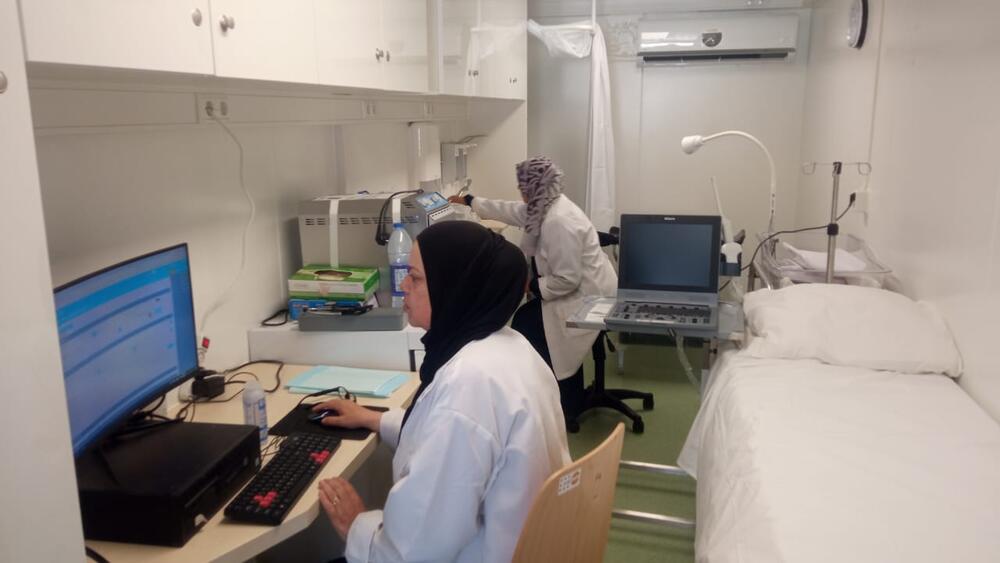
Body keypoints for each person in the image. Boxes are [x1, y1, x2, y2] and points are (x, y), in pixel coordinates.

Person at [311, 221, 571, 563]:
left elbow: (413, 553)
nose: (403, 285)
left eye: (415, 277)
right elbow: (447, 432)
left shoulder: (468, 384)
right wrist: (375, 419)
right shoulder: (510, 348)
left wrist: (356, 525)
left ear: (455, 288)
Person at [449, 156, 617, 425]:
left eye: (523, 187)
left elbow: (567, 279)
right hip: (580, 286)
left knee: (529, 326)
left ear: (534, 188)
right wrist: (471, 201)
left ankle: (563, 402)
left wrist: (531, 286)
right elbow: (511, 210)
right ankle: (565, 394)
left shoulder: (558, 221)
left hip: (587, 294)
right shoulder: (545, 206)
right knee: (531, 320)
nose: (520, 193)